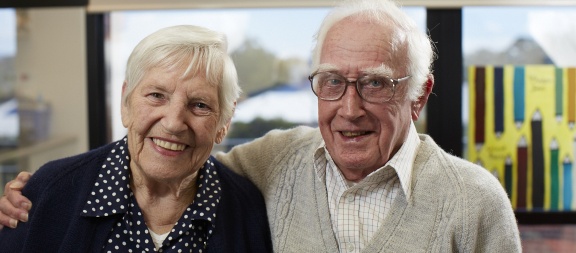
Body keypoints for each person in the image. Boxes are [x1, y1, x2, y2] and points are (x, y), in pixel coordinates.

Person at [0, 0, 521, 252]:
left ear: (419, 95)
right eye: (332, 81)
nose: (350, 108)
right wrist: (29, 191)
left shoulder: (474, 202)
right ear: (126, 100)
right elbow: (176, 155)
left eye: (377, 84)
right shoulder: (275, 164)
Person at [0, 25, 273, 252]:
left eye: (199, 105)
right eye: (156, 95)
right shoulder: (49, 191)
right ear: (126, 103)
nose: (174, 122)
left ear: (224, 123)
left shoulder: (250, 212)